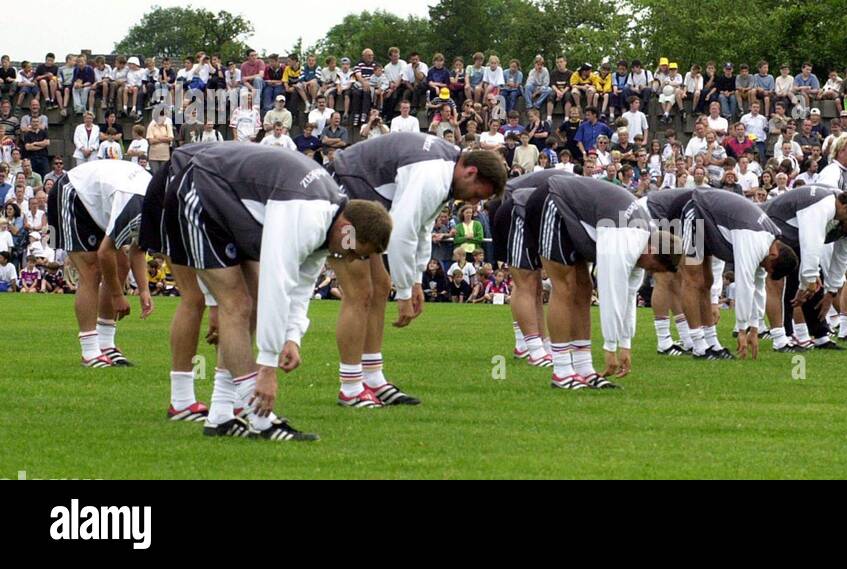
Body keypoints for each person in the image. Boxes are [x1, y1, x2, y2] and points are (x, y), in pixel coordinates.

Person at [156, 143, 393, 441]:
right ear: (347, 230)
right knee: (238, 303)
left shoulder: (330, 220)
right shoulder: (307, 215)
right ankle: (259, 418)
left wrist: (291, 337)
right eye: (357, 251)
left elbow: (301, 285)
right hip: (201, 187)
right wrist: (266, 367)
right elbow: (277, 283)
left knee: (248, 300)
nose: (352, 259)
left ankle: (220, 414)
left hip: (228, 199)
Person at [328, 133, 507, 407]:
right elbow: (401, 232)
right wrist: (403, 294)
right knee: (359, 291)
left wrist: (414, 281)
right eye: (476, 194)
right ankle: (351, 385)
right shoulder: (433, 174)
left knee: (379, 286)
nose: (472, 203)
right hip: (342, 199)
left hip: (363, 205)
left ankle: (373, 377)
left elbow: (423, 229)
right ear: (471, 172)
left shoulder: (446, 169)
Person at [523, 175, 681, 389]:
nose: (648, 271)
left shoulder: (643, 237)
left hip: (576, 214)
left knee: (585, 288)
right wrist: (609, 349)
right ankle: (561, 371)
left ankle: (584, 368)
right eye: (652, 268)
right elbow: (611, 292)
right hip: (553, 200)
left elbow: (628, 296)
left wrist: (625, 346)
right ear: (652, 251)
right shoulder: (628, 238)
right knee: (565, 287)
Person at [644, 188, 798, 359]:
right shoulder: (755, 239)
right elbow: (745, 286)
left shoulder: (769, 238)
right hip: (693, 211)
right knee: (691, 279)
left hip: (708, 219)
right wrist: (741, 330)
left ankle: (711, 341)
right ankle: (697, 345)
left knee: (706, 282)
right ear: (774, 254)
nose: (763, 269)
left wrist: (754, 328)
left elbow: (758, 287)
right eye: (767, 268)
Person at [45, 160, 156, 369]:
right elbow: (105, 253)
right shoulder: (136, 205)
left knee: (121, 265)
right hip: (74, 193)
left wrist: (143, 290)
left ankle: (105, 344)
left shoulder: (154, 206)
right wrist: (117, 296)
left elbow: (138, 248)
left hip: (99, 202)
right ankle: (89, 352)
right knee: (92, 271)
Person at [761, 184, 847, 352]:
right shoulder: (823, 206)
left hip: (797, 236)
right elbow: (811, 241)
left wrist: (831, 292)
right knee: (785, 283)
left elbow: (841, 260)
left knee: (816, 286)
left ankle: (820, 336)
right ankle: (782, 337)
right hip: (776, 224)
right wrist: (808, 279)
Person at [486, 169, 576, 367]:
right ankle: (532, 347)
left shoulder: (574, 189)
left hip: (526, 213)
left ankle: (535, 344)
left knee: (533, 285)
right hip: (515, 211)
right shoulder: (573, 191)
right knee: (526, 282)